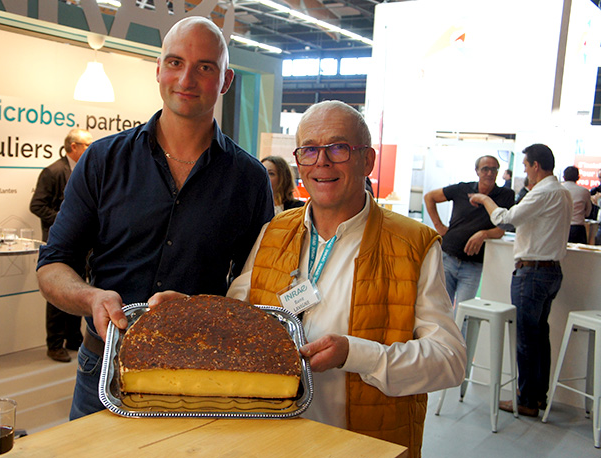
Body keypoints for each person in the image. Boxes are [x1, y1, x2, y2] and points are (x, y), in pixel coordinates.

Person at [153, 101, 466, 457]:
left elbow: (450, 359)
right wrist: (195, 313)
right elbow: (239, 316)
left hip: (360, 444)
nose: (322, 162)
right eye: (310, 150)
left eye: (338, 148)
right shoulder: (275, 230)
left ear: (368, 160)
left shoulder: (413, 245)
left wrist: (357, 354)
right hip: (272, 438)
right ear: (299, 162)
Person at [35, 17, 274, 420]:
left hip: (201, 372)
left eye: (205, 66)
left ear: (226, 80)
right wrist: (91, 297)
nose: (186, 78)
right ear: (159, 70)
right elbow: (53, 265)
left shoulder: (249, 178)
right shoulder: (102, 160)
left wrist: (206, 310)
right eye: (176, 62)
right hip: (105, 368)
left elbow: (262, 285)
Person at [469, 143, 572, 418]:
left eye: (526, 166)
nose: (525, 171)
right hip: (551, 272)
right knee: (540, 336)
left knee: (527, 338)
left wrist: (484, 199)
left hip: (533, 273)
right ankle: (538, 395)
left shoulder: (544, 192)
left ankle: (526, 399)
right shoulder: (561, 192)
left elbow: (506, 219)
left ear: (536, 166)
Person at [29, 129, 92, 362]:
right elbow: (37, 205)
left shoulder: (86, 171)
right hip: (59, 243)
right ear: (73, 146)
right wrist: (66, 222)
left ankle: (73, 338)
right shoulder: (53, 171)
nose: (90, 148)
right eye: (87, 144)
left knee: (77, 289)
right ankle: (54, 344)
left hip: (82, 244)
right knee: (57, 292)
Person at [424, 156, 514, 318]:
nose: (489, 173)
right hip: (448, 257)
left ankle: (460, 344)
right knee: (440, 309)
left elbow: (500, 230)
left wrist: (484, 234)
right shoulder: (462, 189)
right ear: (477, 171)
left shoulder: (505, 195)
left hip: (473, 264)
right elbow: (429, 197)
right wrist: (439, 226)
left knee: (463, 314)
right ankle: (439, 343)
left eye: (494, 169)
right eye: (485, 169)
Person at [561, 166, 592, 244]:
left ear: (564, 177)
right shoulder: (584, 191)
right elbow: (588, 212)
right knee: (580, 255)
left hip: (561, 227)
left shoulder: (559, 190)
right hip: (578, 228)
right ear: (578, 177)